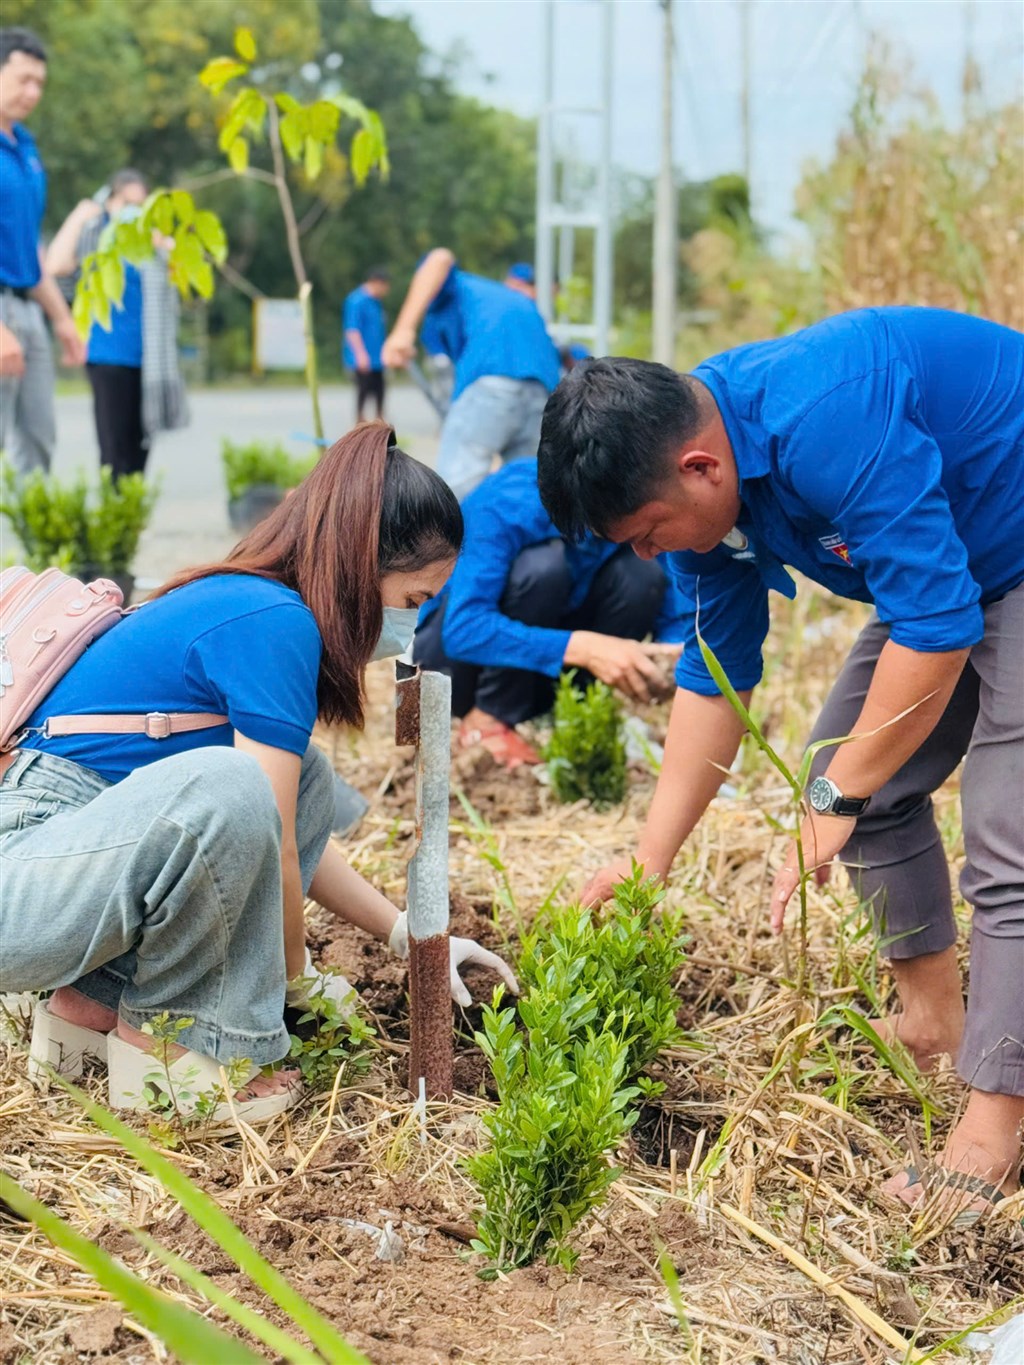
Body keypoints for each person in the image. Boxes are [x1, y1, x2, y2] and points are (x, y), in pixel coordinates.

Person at [537, 308, 1024, 1218]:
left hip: (1005, 550)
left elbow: (939, 624)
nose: (649, 556)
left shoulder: (824, 412)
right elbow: (715, 682)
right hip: (948, 573)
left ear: (699, 467)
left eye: (648, 533)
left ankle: (996, 1127)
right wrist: (649, 863)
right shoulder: (705, 497)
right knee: (846, 776)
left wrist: (839, 792)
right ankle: (935, 1023)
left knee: (1007, 835)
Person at [0, 424, 517, 1122]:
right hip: (24, 877)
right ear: (361, 567)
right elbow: (264, 836)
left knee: (300, 777)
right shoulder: (275, 620)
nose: (413, 625)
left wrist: (404, 932)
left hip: (53, 865)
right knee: (239, 788)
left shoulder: (252, 601)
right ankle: (175, 1052)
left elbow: (285, 823)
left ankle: (85, 1012)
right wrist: (286, 989)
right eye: (414, 598)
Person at [414, 457, 683, 767]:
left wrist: (671, 662)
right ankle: (489, 719)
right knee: (542, 570)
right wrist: (582, 647)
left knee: (641, 573)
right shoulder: (509, 501)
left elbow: (675, 614)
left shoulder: (627, 499)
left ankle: (576, 714)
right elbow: (463, 630)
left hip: (543, 674)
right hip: (456, 670)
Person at [382, 248, 561, 502]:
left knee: (455, 489)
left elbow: (439, 258)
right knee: (529, 491)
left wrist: (403, 329)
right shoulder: (500, 298)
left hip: (493, 382)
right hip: (543, 394)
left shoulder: (458, 286)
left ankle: (458, 541)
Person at [45, 169, 188, 478]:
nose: (133, 211)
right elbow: (55, 265)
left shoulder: (150, 245)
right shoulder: (96, 238)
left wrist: (171, 250)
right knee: (114, 447)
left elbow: (187, 285)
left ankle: (131, 516)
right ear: (110, 200)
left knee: (140, 445)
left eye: (141, 204)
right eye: (127, 202)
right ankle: (116, 516)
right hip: (107, 356)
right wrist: (80, 215)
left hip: (148, 361)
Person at [0, 27, 85, 473]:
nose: (32, 91)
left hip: (29, 313)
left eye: (40, 83)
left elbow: (28, 249)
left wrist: (62, 319)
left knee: (37, 442)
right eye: (22, 79)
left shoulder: (26, 149)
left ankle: (30, 544)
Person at [342, 267, 390, 423]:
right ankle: (359, 419)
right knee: (363, 388)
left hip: (378, 356)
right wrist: (360, 354)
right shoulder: (356, 300)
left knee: (380, 388)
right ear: (376, 283)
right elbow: (352, 329)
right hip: (363, 355)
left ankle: (379, 418)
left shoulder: (376, 302)